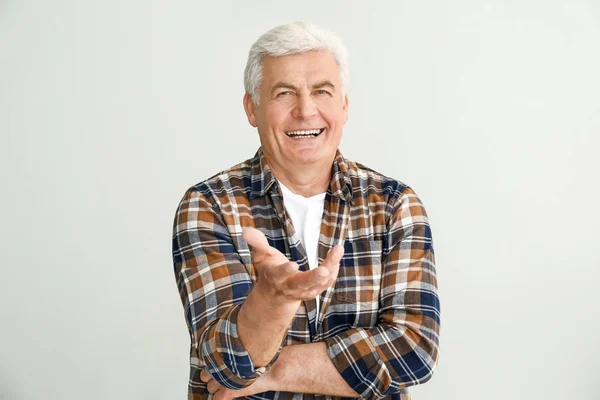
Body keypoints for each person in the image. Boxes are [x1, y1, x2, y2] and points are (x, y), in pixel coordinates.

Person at [172, 22, 440, 400]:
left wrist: (272, 371)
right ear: (252, 107)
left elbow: (414, 351)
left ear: (343, 105)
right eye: (284, 93)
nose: (305, 110)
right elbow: (225, 366)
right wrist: (273, 300)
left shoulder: (395, 205)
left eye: (322, 92)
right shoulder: (208, 206)